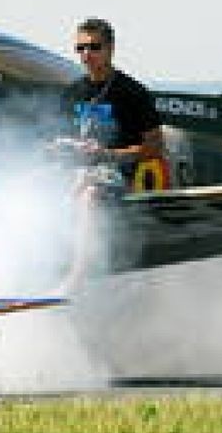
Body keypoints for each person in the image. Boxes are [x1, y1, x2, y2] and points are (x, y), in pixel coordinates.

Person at [57, 17, 163, 294]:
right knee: (25, 182)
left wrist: (107, 154)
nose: (86, 55)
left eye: (94, 47)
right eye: (80, 48)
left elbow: (154, 148)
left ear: (110, 48)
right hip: (75, 170)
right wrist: (61, 145)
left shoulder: (132, 93)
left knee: (89, 192)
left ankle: (76, 276)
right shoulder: (71, 93)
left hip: (115, 173)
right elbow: (55, 139)